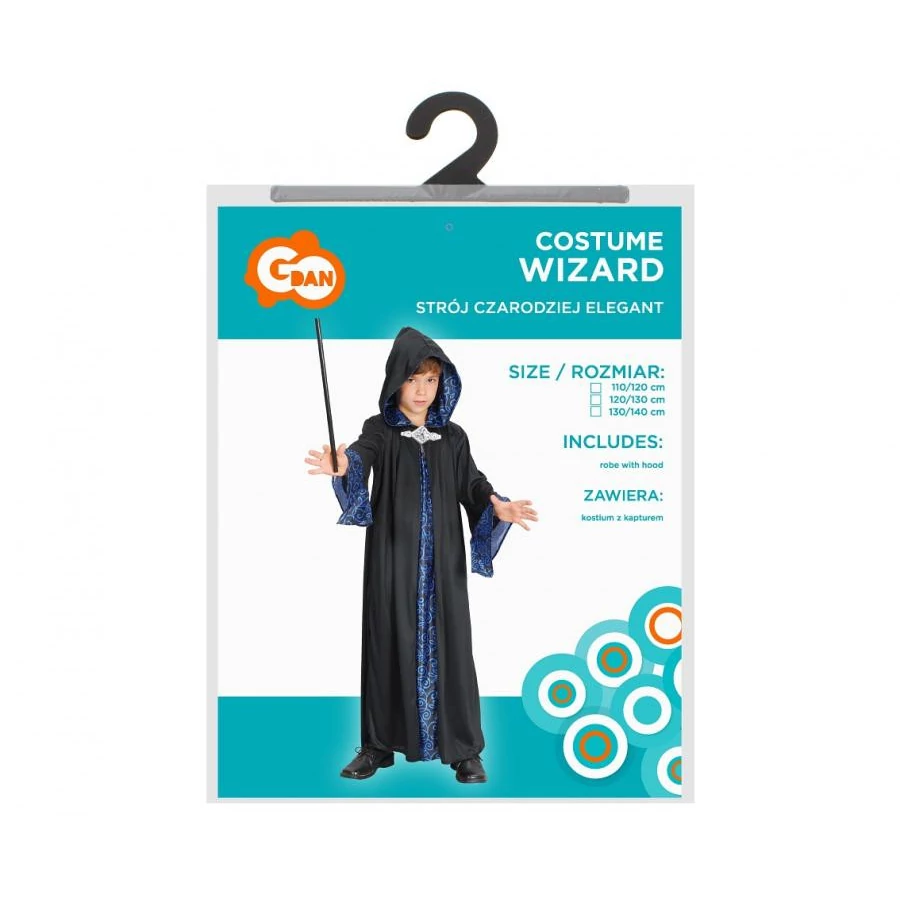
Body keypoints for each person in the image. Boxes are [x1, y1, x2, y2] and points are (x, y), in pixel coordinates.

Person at [305, 326, 537, 783]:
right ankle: (376, 746)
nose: (422, 390)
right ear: (396, 381)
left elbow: (472, 483)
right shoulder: (380, 431)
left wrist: (496, 505)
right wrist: (345, 465)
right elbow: (361, 456)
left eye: (431, 380)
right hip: (393, 560)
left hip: (443, 566)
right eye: (413, 379)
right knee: (385, 640)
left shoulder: (454, 437)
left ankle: (464, 750)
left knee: (453, 648)